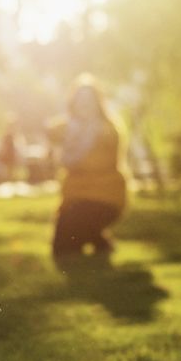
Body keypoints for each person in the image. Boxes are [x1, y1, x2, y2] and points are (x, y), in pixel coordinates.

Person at [51, 77, 127, 262]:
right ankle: (99, 240)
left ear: (97, 102)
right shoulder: (70, 127)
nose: (84, 104)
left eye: (89, 100)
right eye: (80, 99)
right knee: (61, 248)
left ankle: (99, 240)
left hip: (104, 197)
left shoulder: (107, 130)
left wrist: (77, 141)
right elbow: (51, 131)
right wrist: (73, 131)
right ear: (74, 103)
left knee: (69, 245)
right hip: (75, 199)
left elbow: (88, 163)